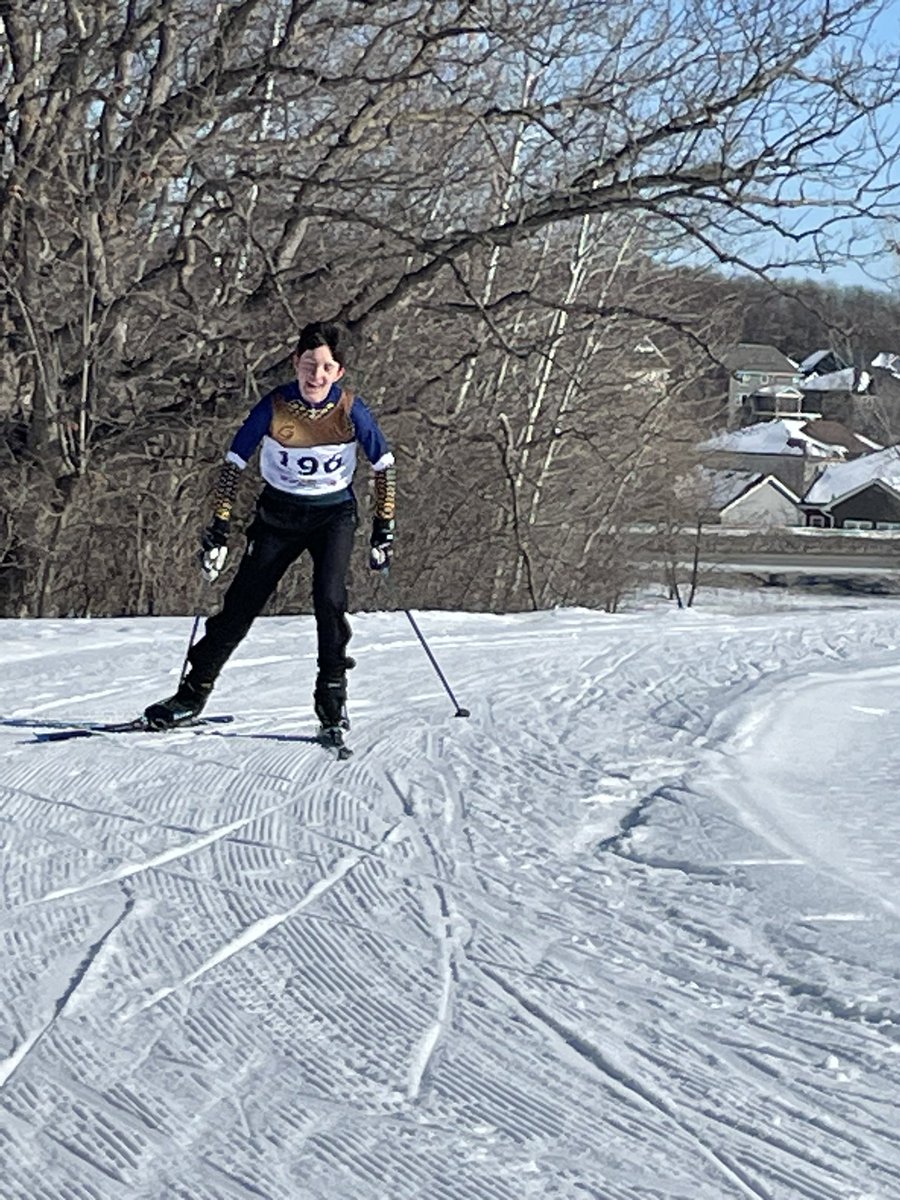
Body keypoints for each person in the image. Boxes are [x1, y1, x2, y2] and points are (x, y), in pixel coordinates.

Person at [144, 321, 395, 731]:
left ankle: (332, 693)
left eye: (326, 368)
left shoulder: (351, 409)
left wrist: (385, 526)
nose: (316, 376)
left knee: (329, 600)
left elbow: (384, 464)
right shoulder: (275, 405)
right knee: (242, 604)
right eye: (309, 365)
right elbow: (234, 461)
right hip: (278, 515)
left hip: (332, 516)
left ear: (339, 373)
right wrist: (219, 526)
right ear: (296, 363)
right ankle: (192, 692)